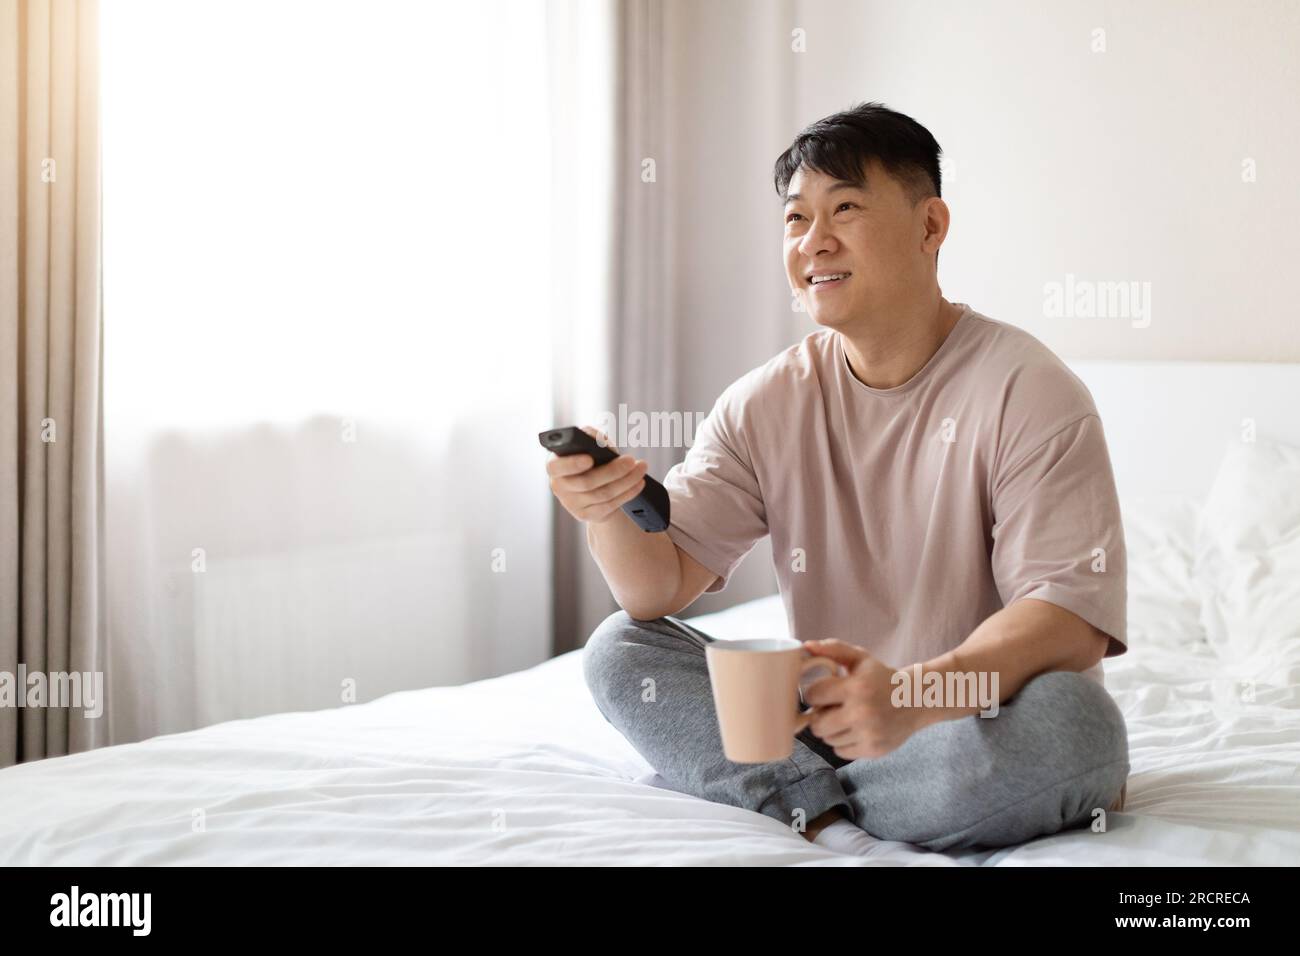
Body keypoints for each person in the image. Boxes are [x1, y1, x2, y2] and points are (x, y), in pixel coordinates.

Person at [545, 102, 1129, 855]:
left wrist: (912, 697)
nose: (813, 242)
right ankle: (821, 807)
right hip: (834, 722)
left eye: (845, 209)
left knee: (1077, 729)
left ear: (930, 227)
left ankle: (804, 799)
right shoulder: (766, 400)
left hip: (974, 722)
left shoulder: (1029, 388)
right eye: (795, 220)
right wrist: (604, 509)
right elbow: (656, 587)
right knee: (622, 648)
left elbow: (1069, 617)